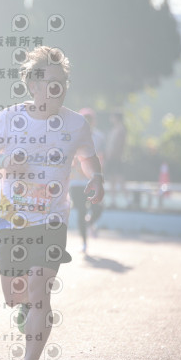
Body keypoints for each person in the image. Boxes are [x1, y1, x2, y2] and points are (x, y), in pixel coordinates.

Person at [0, 46, 104, 360]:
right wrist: (2, 163)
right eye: (51, 82)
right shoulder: (7, 118)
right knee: (14, 295)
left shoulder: (76, 124)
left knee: (39, 290)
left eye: (62, 83)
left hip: (52, 222)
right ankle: (25, 308)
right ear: (33, 86)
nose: (58, 89)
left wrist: (96, 177)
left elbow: (88, 158)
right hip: (12, 222)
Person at [69, 108, 106, 253]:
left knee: (98, 208)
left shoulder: (99, 137)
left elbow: (102, 158)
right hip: (76, 181)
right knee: (81, 211)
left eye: (89, 121)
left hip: (92, 179)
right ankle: (84, 242)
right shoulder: (73, 136)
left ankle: (89, 223)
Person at [105, 111, 127, 207]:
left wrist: (113, 155)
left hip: (116, 158)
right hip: (111, 158)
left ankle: (128, 200)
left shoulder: (121, 129)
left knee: (120, 179)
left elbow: (119, 145)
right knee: (112, 180)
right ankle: (113, 201)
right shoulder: (114, 129)